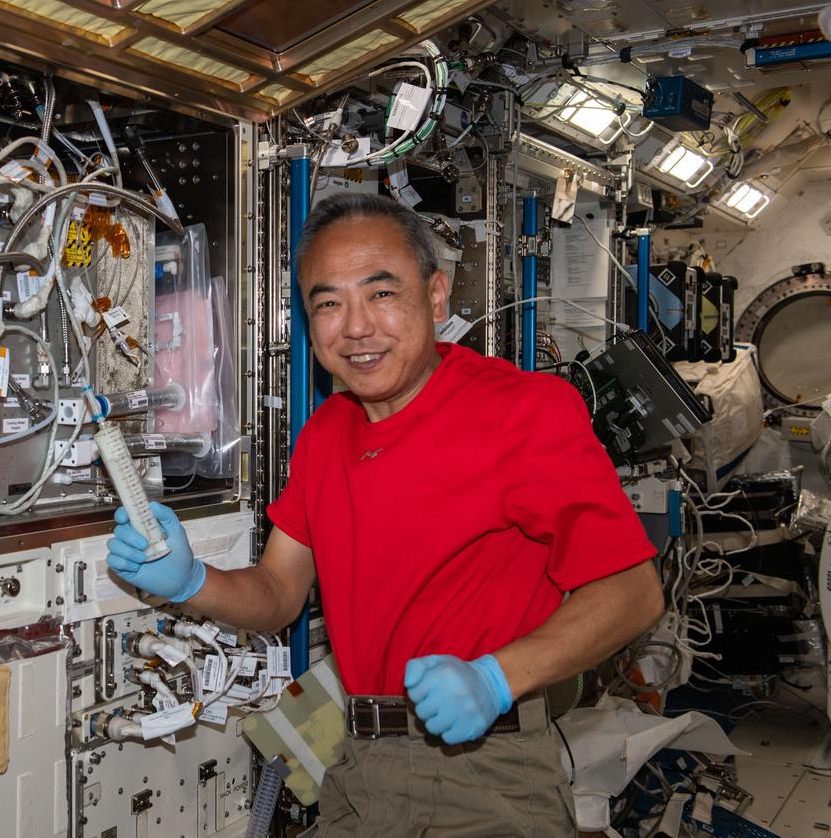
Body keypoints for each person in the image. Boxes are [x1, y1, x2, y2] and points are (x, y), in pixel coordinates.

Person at [106, 192, 665, 836]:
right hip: (358, 763)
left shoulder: (523, 411)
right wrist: (193, 582)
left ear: (435, 296)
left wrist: (494, 678)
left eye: (381, 294)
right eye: (328, 303)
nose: (356, 327)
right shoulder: (324, 435)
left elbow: (632, 591)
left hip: (483, 770)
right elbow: (278, 592)